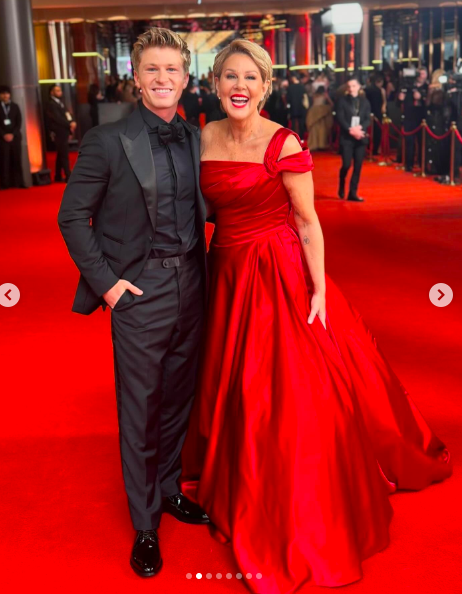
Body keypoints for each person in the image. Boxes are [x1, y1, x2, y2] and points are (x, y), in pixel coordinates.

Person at [180, 39, 452, 594]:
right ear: (214, 82)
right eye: (230, 76)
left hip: (276, 270)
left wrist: (319, 288)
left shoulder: (282, 141)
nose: (239, 86)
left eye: (250, 77)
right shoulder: (203, 135)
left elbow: (307, 223)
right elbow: (201, 208)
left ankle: (284, 492)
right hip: (226, 269)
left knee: (281, 387)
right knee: (230, 377)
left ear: (266, 84)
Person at [57, 28, 209, 579]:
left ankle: (169, 490)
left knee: (177, 402)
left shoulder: (197, 137)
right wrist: (109, 285)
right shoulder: (107, 139)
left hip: (193, 284)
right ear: (137, 77)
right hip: (138, 293)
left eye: (172, 69)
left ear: (186, 78)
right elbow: (71, 217)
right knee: (141, 409)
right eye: (152, 69)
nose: (163, 78)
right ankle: (145, 524)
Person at [336, 78, 371, 201]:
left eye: (354, 86)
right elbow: (340, 118)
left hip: (360, 137)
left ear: (359, 86)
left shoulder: (365, 102)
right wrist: (351, 130)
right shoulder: (342, 101)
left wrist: (359, 129)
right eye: (349, 86)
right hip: (347, 137)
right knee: (346, 165)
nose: (351, 88)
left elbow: (368, 118)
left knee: (358, 166)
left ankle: (353, 193)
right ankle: (341, 184)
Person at [0, 85, 24, 189]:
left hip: (15, 137)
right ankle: (4, 183)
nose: (5, 95)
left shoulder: (15, 106)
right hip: (1, 139)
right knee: (3, 161)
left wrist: (12, 134)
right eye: (3, 93)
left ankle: (18, 182)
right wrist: (4, 135)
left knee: (17, 160)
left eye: (7, 93)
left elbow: (19, 122)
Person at [397, 67, 429, 172]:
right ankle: (408, 164)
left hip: (422, 118)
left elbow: (430, 104)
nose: (420, 76)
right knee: (409, 142)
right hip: (409, 117)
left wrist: (422, 97)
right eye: (419, 73)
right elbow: (397, 103)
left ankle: (422, 163)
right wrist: (400, 98)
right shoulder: (407, 86)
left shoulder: (428, 87)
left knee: (422, 142)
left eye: (423, 73)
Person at [46, 84, 76, 182]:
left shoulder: (60, 103)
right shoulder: (51, 104)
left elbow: (67, 114)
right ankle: (68, 175)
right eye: (57, 90)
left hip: (64, 130)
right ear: (52, 92)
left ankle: (58, 176)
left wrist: (72, 121)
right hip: (58, 131)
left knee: (61, 153)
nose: (59, 92)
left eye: (60, 90)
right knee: (64, 154)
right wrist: (69, 124)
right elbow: (57, 118)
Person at [305, 85, 333, 151]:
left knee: (313, 129)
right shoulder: (325, 96)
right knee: (322, 130)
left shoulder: (314, 96)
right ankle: (321, 144)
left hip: (313, 113)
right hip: (322, 112)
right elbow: (331, 104)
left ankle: (314, 144)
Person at [365, 72, 387, 155]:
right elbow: (384, 102)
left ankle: (368, 148)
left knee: (368, 131)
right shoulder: (381, 90)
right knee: (377, 132)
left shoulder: (366, 89)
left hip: (368, 113)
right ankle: (375, 149)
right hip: (377, 113)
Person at [287, 74, 307, 138]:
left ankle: (293, 136)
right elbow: (304, 97)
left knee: (293, 123)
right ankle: (301, 136)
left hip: (293, 107)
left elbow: (288, 99)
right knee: (301, 123)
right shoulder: (302, 87)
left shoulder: (290, 88)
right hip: (301, 107)